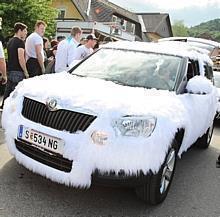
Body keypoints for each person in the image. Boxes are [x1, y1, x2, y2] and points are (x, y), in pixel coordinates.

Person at [1, 22, 28, 109]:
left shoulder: (10, 41)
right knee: (16, 93)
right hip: (18, 71)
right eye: (24, 31)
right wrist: (26, 71)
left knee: (8, 92)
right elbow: (21, 58)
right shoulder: (20, 42)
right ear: (19, 30)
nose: (26, 33)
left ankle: (4, 107)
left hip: (10, 70)